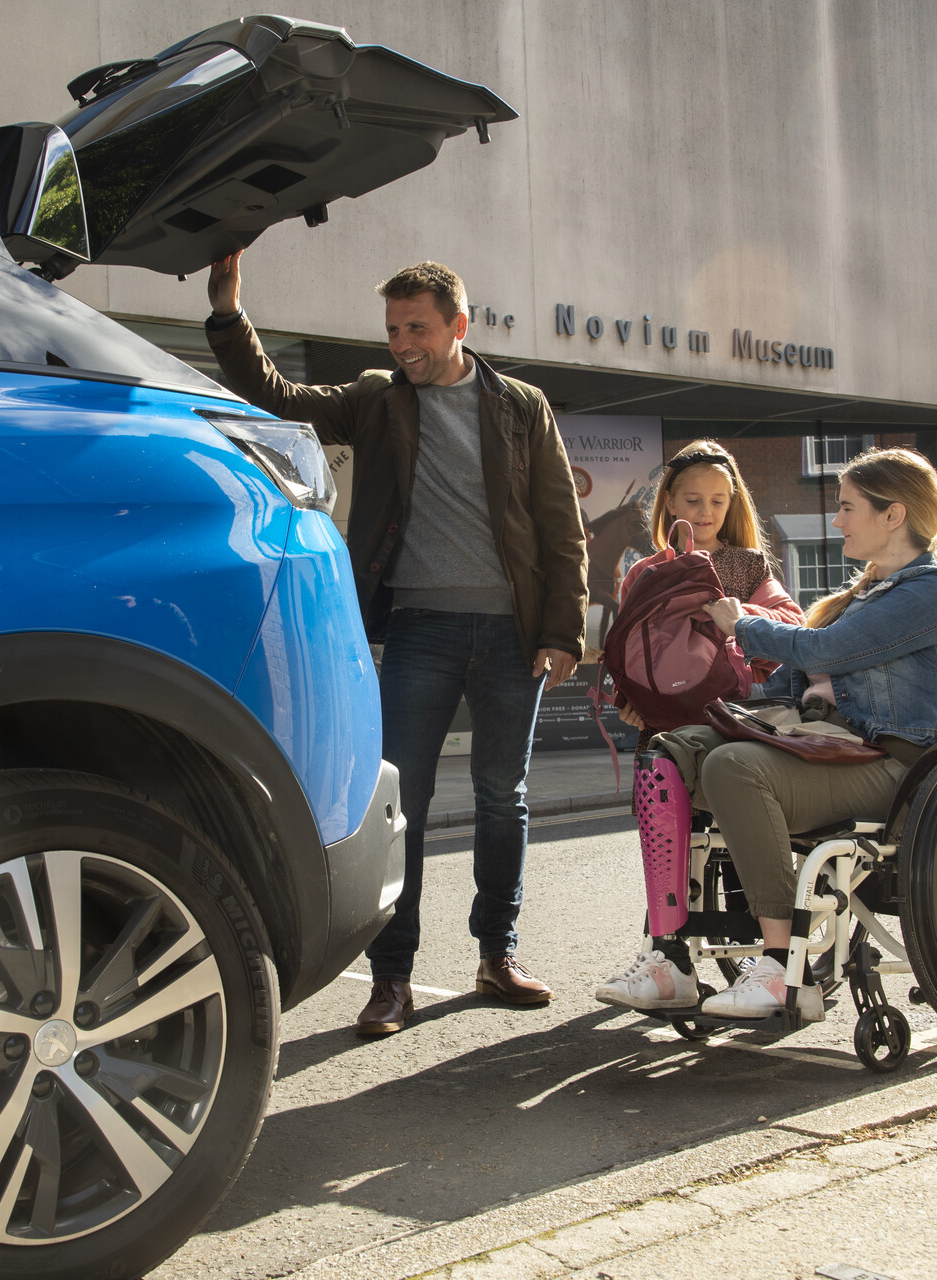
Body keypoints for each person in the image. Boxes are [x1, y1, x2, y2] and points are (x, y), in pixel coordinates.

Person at [204, 252, 588, 1036]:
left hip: (514, 637)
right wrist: (227, 312)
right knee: (401, 806)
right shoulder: (379, 401)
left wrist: (562, 631)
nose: (402, 343)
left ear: (458, 325)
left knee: (499, 799)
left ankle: (497, 953)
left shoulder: (519, 406)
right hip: (421, 631)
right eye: (392, 330)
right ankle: (393, 978)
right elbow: (275, 396)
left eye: (417, 327)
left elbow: (561, 528)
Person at [596, 447, 937, 1014]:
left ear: (893, 515)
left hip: (893, 766)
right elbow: (786, 685)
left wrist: (738, 625)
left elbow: (826, 649)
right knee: (669, 753)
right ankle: (668, 958)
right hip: (824, 746)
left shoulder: (936, 591)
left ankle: (781, 968)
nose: (838, 519)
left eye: (847, 508)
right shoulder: (861, 596)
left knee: (734, 765)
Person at [610, 441, 803, 737]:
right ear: (670, 503)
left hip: (736, 716)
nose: (705, 511)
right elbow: (628, 649)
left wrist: (737, 618)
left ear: (730, 503)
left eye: (717, 501)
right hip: (665, 725)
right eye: (693, 500)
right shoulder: (643, 573)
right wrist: (630, 699)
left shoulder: (748, 564)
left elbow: (794, 628)